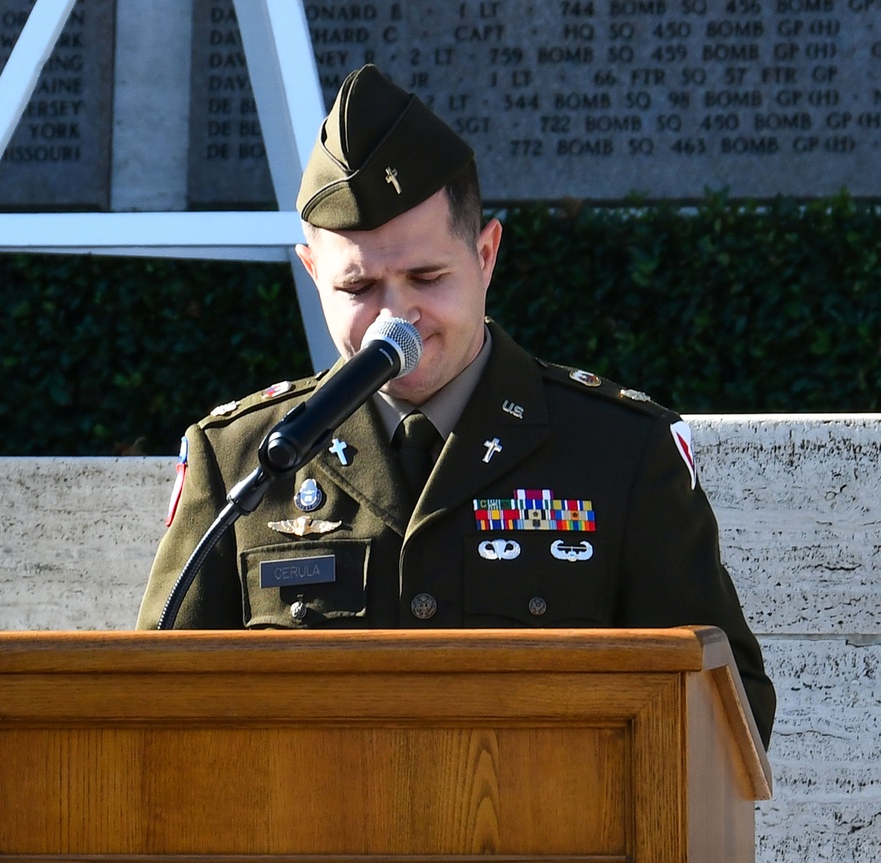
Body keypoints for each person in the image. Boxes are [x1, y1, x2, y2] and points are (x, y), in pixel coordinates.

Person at [137, 66, 775, 747]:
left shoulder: (618, 451)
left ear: (486, 255)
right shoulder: (246, 458)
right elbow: (155, 704)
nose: (395, 318)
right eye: (359, 286)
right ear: (312, 273)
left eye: (427, 277)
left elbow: (726, 713)